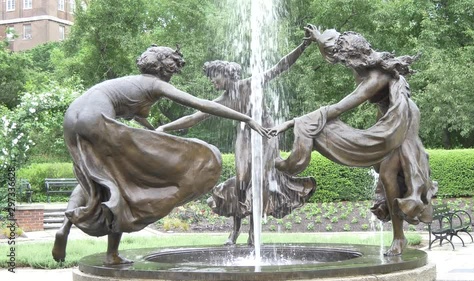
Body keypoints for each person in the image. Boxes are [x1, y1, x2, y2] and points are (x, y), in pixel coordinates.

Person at [51, 45, 270, 265]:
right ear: (166, 69)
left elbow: (137, 119)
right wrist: (247, 119)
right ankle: (112, 254)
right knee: (124, 182)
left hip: (73, 116)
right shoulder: (155, 84)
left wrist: (156, 130)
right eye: (173, 70)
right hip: (96, 119)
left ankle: (64, 228)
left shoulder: (131, 82)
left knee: (93, 177)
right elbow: (200, 105)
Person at [270, 25, 437, 256]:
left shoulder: (375, 78)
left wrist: (290, 123)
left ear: (353, 55)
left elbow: (340, 107)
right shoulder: (363, 64)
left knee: (390, 173)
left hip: (402, 117)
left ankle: (399, 237)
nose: (343, 63)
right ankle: (399, 235)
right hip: (387, 115)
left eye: (345, 59)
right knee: (387, 173)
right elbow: (335, 47)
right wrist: (318, 39)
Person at [156, 38, 316, 245]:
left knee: (259, 180)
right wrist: (164, 127)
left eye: (215, 77)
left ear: (226, 74)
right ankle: (235, 230)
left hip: (266, 134)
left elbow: (279, 67)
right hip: (245, 135)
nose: (212, 82)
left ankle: (254, 233)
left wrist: (303, 46)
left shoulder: (250, 84)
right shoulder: (221, 100)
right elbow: (194, 118)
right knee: (241, 180)